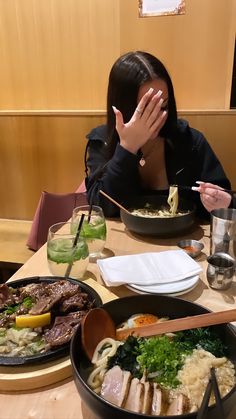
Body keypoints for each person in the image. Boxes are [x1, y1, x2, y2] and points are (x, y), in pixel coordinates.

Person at [84, 51, 231, 218]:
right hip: (121, 243)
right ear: (123, 106)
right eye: (146, 109)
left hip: (183, 241)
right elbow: (102, 208)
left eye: (163, 106)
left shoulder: (190, 141)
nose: (157, 117)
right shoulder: (102, 142)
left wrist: (222, 202)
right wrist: (127, 148)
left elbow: (226, 201)